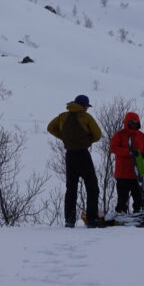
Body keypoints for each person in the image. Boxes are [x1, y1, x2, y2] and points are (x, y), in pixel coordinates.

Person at [47, 94, 103, 227]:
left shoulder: (63, 116)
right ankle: (92, 219)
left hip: (70, 155)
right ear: (84, 106)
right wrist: (88, 140)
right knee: (92, 187)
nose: (87, 109)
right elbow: (98, 135)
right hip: (83, 155)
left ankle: (69, 220)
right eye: (87, 106)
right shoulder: (86, 117)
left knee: (71, 188)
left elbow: (50, 128)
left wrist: (65, 138)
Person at [109, 111, 144, 215]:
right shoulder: (119, 134)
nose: (134, 125)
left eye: (136, 123)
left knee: (139, 196)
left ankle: (139, 212)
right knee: (122, 197)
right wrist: (129, 152)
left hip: (138, 170)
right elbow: (113, 148)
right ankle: (120, 213)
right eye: (132, 122)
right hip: (123, 172)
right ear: (127, 122)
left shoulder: (141, 135)